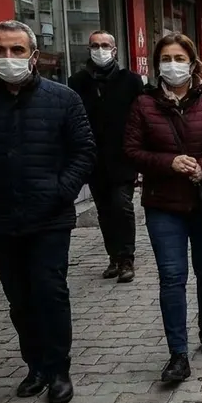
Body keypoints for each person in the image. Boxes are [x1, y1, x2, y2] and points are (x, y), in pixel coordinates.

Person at [0, 20, 96, 403]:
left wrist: (61, 191)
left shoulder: (63, 99)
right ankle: (36, 366)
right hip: (1, 215)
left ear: (33, 55)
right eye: (0, 51)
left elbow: (84, 152)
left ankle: (59, 369)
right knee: (19, 298)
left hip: (50, 216)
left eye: (16, 50)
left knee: (50, 290)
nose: (8, 58)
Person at [123, 33, 202, 383]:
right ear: (157, 64)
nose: (172, 65)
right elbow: (131, 150)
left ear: (193, 63)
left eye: (179, 58)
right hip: (164, 204)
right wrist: (168, 162)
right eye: (166, 58)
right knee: (172, 277)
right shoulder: (143, 105)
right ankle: (178, 353)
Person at [68, 30, 144, 283]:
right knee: (104, 210)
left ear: (114, 50)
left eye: (105, 45)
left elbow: (140, 119)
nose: (100, 50)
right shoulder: (77, 82)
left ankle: (126, 259)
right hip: (93, 158)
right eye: (95, 45)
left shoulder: (130, 81)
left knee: (122, 207)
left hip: (123, 157)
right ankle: (113, 257)